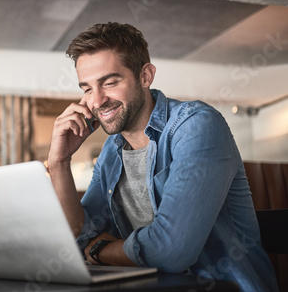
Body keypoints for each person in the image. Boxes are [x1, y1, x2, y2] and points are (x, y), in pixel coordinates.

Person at [47, 22, 278, 292]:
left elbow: (171, 250)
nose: (96, 102)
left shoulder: (196, 125)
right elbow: (79, 237)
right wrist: (59, 162)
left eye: (109, 83)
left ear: (145, 76)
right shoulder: (112, 151)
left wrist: (100, 250)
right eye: (87, 89)